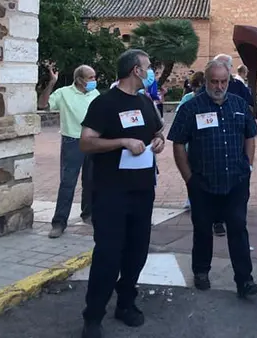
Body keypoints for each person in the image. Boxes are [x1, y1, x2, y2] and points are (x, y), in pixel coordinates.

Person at [79, 49, 165, 338]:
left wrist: (158, 139)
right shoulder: (105, 103)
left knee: (137, 252)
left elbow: (158, 131)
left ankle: (126, 303)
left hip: (142, 190)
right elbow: (86, 143)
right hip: (111, 192)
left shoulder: (145, 101)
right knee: (108, 255)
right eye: (148, 67)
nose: (151, 72)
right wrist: (122, 142)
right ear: (135, 70)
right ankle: (93, 316)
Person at [168, 59, 257, 299]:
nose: (219, 86)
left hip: (236, 181)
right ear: (206, 81)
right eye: (214, 81)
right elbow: (178, 143)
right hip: (202, 181)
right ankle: (201, 271)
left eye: (223, 81)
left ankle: (245, 280)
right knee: (202, 229)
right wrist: (188, 177)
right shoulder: (191, 108)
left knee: (238, 227)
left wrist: (248, 166)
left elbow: (250, 135)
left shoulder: (240, 105)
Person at [38, 64, 100, 238]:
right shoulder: (64, 93)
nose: (94, 81)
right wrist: (52, 83)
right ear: (79, 80)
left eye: (94, 77)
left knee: (91, 180)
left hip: (93, 141)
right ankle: (59, 222)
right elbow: (43, 104)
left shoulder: (95, 94)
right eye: (90, 78)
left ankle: (88, 214)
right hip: (72, 141)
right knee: (67, 183)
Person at [211, 54, 254, 236]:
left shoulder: (238, 87)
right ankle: (217, 220)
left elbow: (249, 110)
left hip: (236, 145)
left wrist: (249, 164)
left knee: (237, 190)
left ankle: (234, 217)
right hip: (213, 149)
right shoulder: (205, 93)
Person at [176, 71, 206, 211]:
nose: (196, 91)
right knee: (191, 171)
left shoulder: (209, 99)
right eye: (195, 88)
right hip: (190, 142)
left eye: (199, 87)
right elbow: (179, 115)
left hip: (205, 141)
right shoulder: (188, 98)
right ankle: (191, 197)